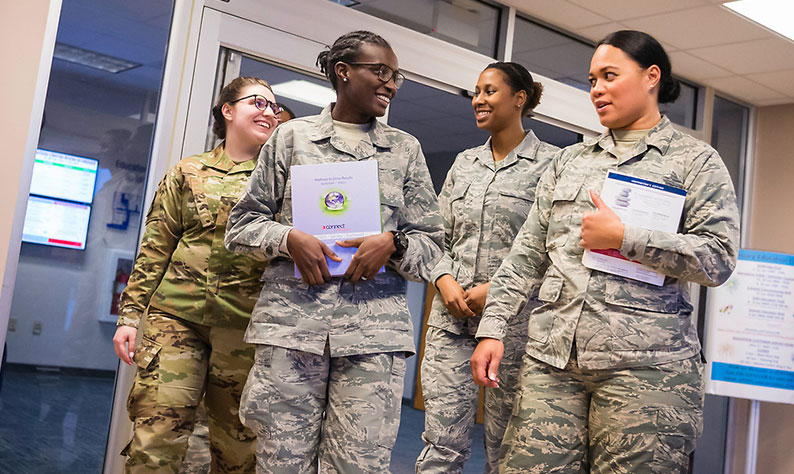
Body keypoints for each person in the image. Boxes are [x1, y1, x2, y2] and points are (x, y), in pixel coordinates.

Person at [470, 30, 740, 473]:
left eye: (609, 76)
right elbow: (525, 257)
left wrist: (625, 236)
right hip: (552, 363)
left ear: (651, 77)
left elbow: (718, 259)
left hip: (646, 371)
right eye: (592, 79)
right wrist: (493, 328)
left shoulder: (697, 161)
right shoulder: (570, 161)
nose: (596, 89)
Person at [224, 30, 443, 473]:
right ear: (343, 72)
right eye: (380, 72)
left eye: (396, 76)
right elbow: (240, 226)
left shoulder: (404, 150)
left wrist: (394, 243)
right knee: (280, 464)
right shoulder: (290, 138)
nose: (391, 84)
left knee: (358, 466)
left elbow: (433, 246)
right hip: (290, 329)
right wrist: (288, 239)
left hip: (372, 337)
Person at [112, 76, 281, 473]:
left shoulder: (280, 179)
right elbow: (156, 249)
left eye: (274, 108)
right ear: (228, 110)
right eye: (258, 102)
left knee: (239, 449)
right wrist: (130, 316)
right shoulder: (187, 172)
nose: (269, 112)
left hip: (246, 327)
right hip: (176, 319)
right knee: (156, 439)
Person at [415, 62, 558, 473]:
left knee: (507, 450)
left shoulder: (553, 165)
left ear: (519, 98)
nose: (478, 99)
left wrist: (493, 289)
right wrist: (443, 281)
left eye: (490, 91)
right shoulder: (464, 164)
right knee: (441, 446)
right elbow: (435, 236)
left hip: (516, 328)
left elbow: (553, 251)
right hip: (450, 322)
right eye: (476, 91)